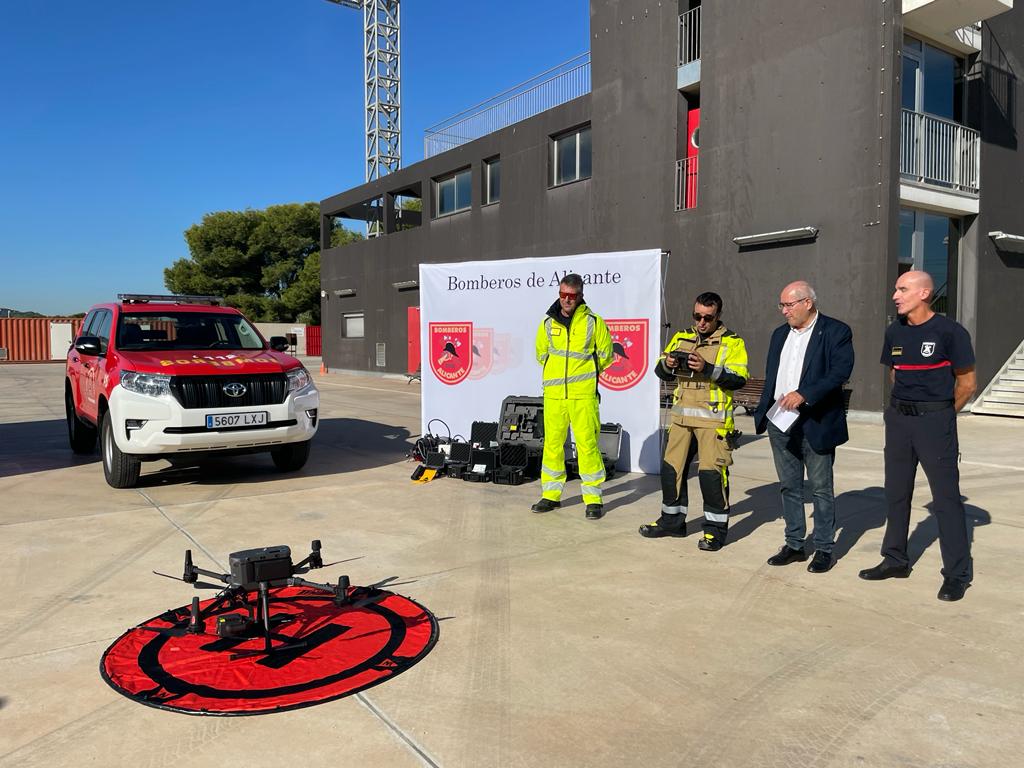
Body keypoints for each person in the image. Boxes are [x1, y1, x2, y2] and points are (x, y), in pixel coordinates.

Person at [859, 270, 977, 602]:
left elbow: (967, 384)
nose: (895, 295)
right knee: (896, 493)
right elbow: (896, 376)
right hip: (899, 421)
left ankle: (956, 574)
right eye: (896, 288)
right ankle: (895, 559)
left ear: (924, 293)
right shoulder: (894, 331)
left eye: (903, 289)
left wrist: (939, 415)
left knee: (946, 499)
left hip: (934, 421)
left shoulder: (950, 332)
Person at [752, 281, 854, 573]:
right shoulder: (779, 334)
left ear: (807, 303)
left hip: (815, 420)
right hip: (780, 421)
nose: (784, 311)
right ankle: (795, 544)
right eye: (781, 305)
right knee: (789, 486)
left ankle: (823, 548)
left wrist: (805, 394)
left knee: (821, 488)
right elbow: (774, 374)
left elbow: (839, 372)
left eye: (789, 305)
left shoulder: (836, 331)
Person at [640, 292, 748, 550]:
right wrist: (667, 363)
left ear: (717, 316)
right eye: (697, 316)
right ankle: (672, 522)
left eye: (707, 318)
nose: (701, 322)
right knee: (671, 471)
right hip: (681, 417)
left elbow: (739, 378)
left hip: (714, 420)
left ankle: (715, 531)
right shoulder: (681, 337)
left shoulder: (732, 342)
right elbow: (659, 371)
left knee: (711, 474)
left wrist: (707, 368)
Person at [531, 274, 614, 519]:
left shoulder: (594, 322)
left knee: (588, 446)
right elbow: (540, 354)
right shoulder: (547, 323)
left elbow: (606, 355)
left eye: (571, 296)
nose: (566, 300)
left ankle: (593, 499)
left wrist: (583, 377)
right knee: (553, 446)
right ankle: (551, 495)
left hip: (583, 396)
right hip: (555, 396)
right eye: (562, 295)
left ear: (580, 296)